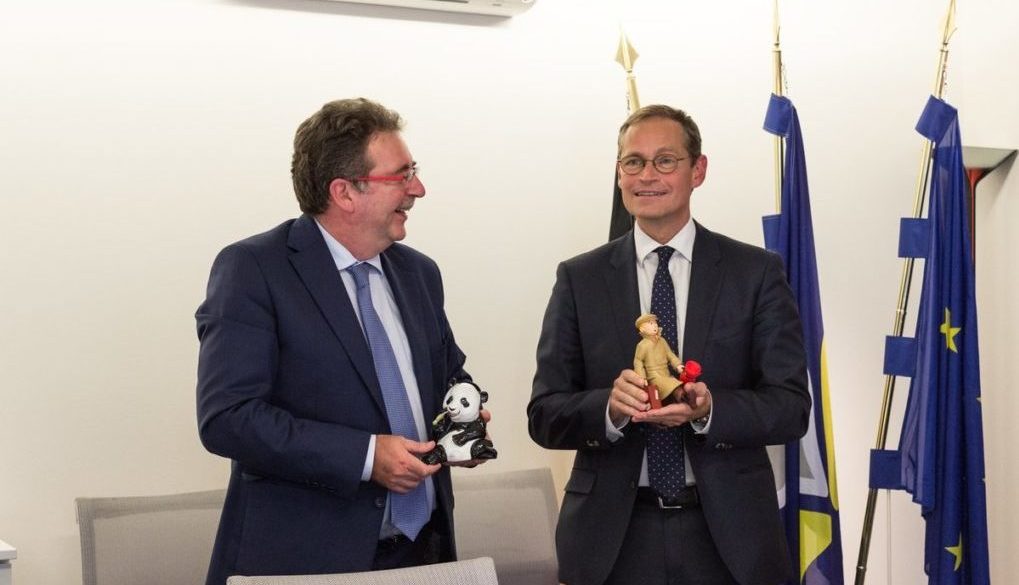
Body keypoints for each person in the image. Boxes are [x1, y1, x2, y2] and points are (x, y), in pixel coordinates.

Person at [196, 98, 479, 584]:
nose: (418, 188)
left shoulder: (419, 273)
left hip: (423, 555)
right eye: (402, 175)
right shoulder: (255, 270)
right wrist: (366, 457)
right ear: (345, 192)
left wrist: (464, 420)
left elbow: (448, 374)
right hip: (306, 562)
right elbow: (228, 417)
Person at [527, 104, 811, 585]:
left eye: (665, 160)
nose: (647, 175)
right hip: (613, 540)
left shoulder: (755, 273)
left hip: (730, 538)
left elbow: (790, 407)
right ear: (619, 174)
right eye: (633, 162)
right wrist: (609, 409)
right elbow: (544, 415)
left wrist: (710, 409)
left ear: (698, 170)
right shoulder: (579, 278)